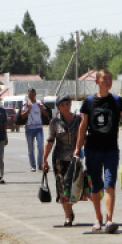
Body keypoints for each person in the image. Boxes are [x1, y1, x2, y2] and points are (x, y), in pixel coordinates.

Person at [73, 69, 122, 233]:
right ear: (97, 81)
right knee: (96, 185)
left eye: (110, 79)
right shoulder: (89, 102)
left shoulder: (116, 101)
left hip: (111, 150)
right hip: (92, 149)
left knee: (110, 184)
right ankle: (98, 217)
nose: (108, 81)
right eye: (104, 78)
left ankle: (109, 219)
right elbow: (83, 125)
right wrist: (78, 147)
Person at [43, 95, 82, 226]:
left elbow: (83, 138)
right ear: (58, 107)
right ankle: (67, 216)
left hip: (74, 159)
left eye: (67, 104)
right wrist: (44, 159)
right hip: (59, 159)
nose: (66, 107)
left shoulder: (78, 120)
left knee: (74, 187)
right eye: (62, 105)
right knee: (62, 187)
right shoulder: (55, 122)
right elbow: (50, 141)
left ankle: (69, 208)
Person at [20, 88, 51, 172]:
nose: (30, 97)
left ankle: (40, 164)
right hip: (29, 128)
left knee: (40, 146)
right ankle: (32, 165)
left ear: (35, 95)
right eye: (29, 95)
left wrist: (41, 108)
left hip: (38, 128)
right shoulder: (26, 104)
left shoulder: (39, 103)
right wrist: (28, 108)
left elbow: (46, 114)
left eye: (32, 95)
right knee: (31, 148)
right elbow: (22, 116)